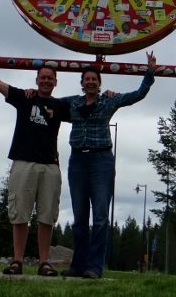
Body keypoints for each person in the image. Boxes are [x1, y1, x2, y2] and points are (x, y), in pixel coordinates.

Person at [61, 51, 157, 279]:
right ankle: (78, 265)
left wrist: (150, 72)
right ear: (82, 84)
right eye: (87, 79)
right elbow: (47, 104)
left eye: (94, 79)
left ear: (99, 83)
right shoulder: (72, 103)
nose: (91, 82)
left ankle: (94, 267)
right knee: (80, 217)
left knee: (101, 217)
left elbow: (137, 95)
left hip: (101, 161)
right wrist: (32, 93)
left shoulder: (109, 101)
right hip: (77, 161)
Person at [0, 58, 70, 277]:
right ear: (36, 80)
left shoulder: (61, 106)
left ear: (55, 82)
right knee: (20, 213)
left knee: (47, 216)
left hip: (50, 166)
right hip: (23, 162)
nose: (46, 81)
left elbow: (87, 105)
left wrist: (107, 95)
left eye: (50, 78)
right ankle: (17, 261)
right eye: (42, 77)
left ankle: (45, 263)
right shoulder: (24, 98)